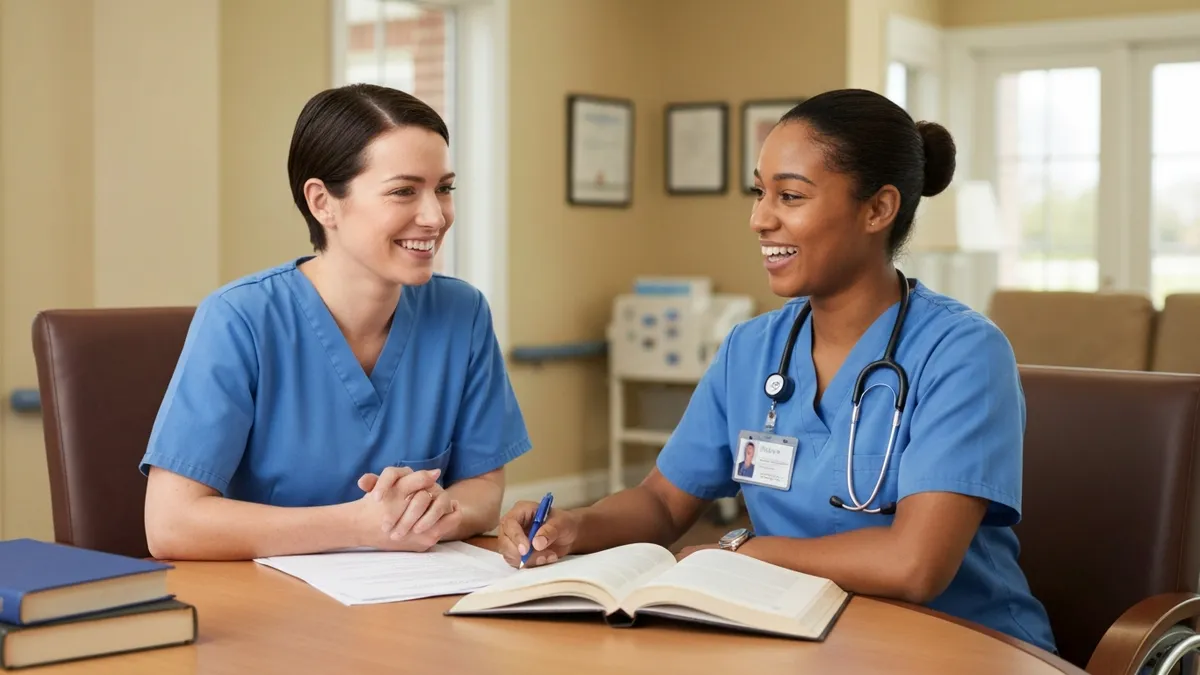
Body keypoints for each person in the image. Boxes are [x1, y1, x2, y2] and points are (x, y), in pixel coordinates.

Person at [498, 88, 1057, 654]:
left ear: (878, 209)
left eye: (789, 196)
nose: (759, 219)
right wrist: (575, 527)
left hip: (960, 648)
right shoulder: (752, 347)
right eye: (759, 193)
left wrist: (742, 551)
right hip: (800, 638)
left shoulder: (962, 352)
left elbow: (914, 566)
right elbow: (665, 502)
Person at [140, 84, 531, 561]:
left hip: (413, 605)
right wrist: (360, 525)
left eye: (444, 189)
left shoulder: (462, 314)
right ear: (323, 202)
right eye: (404, 191)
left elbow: (483, 488)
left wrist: (430, 510)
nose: (435, 216)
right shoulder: (240, 319)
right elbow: (171, 524)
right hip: (265, 607)